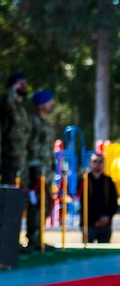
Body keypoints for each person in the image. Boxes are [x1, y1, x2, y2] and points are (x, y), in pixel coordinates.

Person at [19, 89, 54, 251]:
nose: (52, 104)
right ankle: (32, 239)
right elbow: (31, 147)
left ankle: (38, 238)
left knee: (44, 206)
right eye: (49, 101)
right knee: (35, 206)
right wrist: (34, 168)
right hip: (36, 171)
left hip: (46, 171)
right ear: (40, 104)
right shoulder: (33, 122)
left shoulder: (46, 124)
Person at [82, 150, 118, 243]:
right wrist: (95, 220)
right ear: (90, 163)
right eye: (94, 161)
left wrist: (107, 218)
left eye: (100, 161)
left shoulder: (108, 181)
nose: (97, 164)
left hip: (105, 224)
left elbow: (113, 202)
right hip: (89, 224)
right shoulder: (84, 180)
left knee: (104, 254)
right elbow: (82, 203)